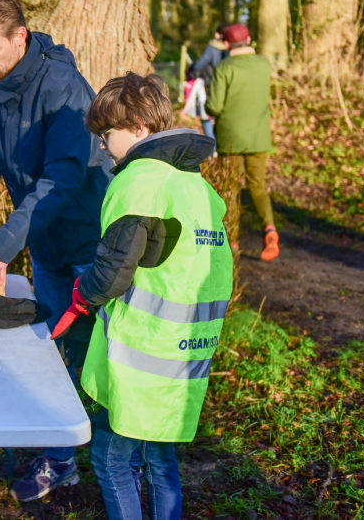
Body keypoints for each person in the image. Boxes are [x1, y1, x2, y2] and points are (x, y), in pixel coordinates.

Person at [0, 0, 111, 502]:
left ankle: (117, 461)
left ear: (20, 36)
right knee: (49, 353)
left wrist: (2, 245)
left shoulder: (64, 88)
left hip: (89, 241)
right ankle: (60, 461)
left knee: (94, 355)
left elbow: (63, 178)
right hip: (46, 244)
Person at [52, 71, 233, 520]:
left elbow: (114, 272)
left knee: (110, 461)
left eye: (106, 134)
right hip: (187, 352)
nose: (101, 145)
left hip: (140, 355)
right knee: (160, 460)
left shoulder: (138, 181)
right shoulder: (197, 186)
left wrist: (82, 292)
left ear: (139, 128)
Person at [206, 23, 279, 261]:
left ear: (227, 44)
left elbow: (214, 106)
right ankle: (269, 229)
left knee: (231, 188)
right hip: (259, 136)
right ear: (248, 40)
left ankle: (232, 241)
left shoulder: (224, 68)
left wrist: (205, 107)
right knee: (257, 185)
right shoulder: (264, 64)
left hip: (231, 138)